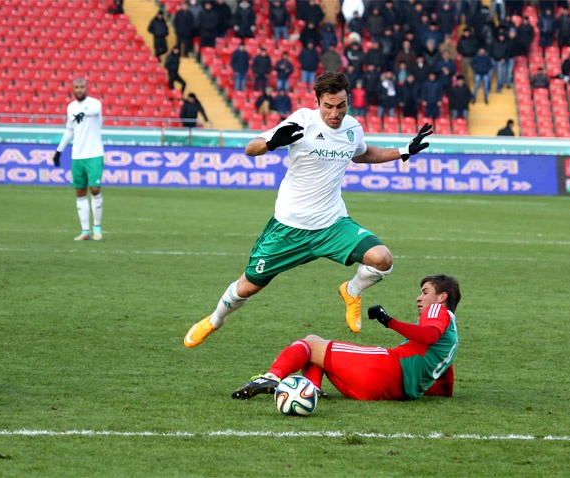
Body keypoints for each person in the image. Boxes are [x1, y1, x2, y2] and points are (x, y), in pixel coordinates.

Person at [183, 72, 434, 349]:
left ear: (348, 101)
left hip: (332, 225)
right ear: (317, 102)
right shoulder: (302, 120)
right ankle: (215, 319)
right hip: (288, 229)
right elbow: (250, 148)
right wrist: (272, 142)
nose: (335, 113)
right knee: (247, 287)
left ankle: (351, 291)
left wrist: (403, 150)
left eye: (341, 105)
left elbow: (361, 154)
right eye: (328, 106)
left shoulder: (352, 128)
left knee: (382, 259)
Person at [231, 274, 461, 401]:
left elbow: (430, 335)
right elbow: (444, 386)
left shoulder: (438, 311)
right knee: (314, 353)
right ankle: (310, 390)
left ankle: (271, 377)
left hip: (385, 369)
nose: (418, 299)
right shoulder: (452, 339)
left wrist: (387, 320)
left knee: (310, 342)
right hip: (389, 391)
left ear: (442, 297)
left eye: (424, 292)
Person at [52, 78, 104, 242]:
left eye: (82, 87)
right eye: (76, 87)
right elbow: (69, 130)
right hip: (77, 155)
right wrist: (59, 151)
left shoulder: (95, 103)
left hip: (94, 153)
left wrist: (82, 113)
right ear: (73, 89)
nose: (79, 89)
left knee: (94, 189)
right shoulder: (71, 107)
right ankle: (85, 231)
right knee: (80, 191)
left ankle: (97, 228)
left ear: (86, 88)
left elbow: (94, 111)